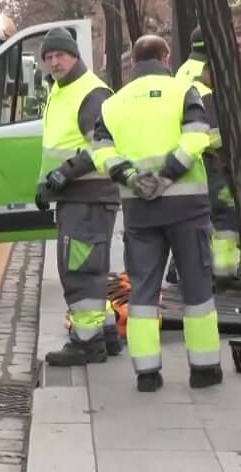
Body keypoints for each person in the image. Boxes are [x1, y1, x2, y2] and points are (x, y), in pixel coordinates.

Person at [93, 35, 222, 392]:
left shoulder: (113, 103)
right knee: (197, 289)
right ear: (167, 57)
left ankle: (147, 374)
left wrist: (133, 179)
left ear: (133, 62)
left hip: (140, 211)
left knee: (143, 293)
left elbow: (101, 152)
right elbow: (198, 137)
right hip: (186, 208)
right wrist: (166, 176)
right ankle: (204, 369)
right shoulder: (184, 91)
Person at [34, 28, 123, 365]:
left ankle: (87, 343)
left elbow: (100, 145)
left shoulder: (91, 92)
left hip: (90, 193)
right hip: (77, 196)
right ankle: (106, 334)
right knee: (87, 266)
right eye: (49, 57)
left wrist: (65, 172)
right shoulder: (61, 90)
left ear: (75, 55)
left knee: (80, 270)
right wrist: (47, 184)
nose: (54, 62)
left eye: (60, 55)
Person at [193, 56, 241, 284]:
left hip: (200, 168)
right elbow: (215, 138)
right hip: (214, 167)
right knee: (224, 216)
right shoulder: (209, 97)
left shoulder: (194, 92)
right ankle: (224, 270)